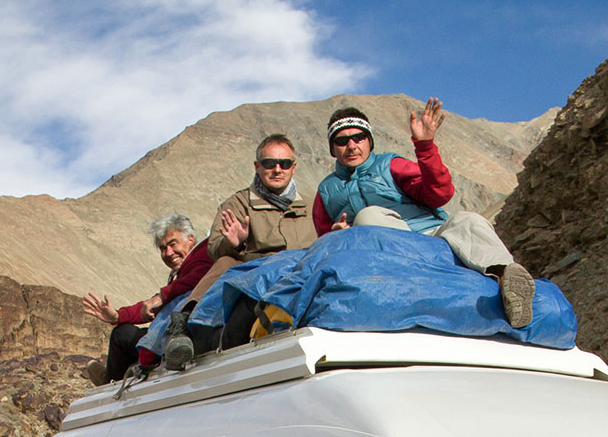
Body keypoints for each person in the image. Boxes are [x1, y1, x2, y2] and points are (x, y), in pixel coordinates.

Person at [312, 101, 537, 329]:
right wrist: (336, 236)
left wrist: (425, 146)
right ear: (332, 149)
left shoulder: (390, 164)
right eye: (342, 141)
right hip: (385, 250)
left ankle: (506, 278)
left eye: (359, 137)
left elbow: (439, 193)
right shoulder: (325, 192)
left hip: (430, 234)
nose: (352, 146)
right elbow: (321, 244)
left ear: (369, 141)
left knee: (468, 220)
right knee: (367, 218)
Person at [81, 216, 217, 383]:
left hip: (187, 334)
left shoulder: (204, 253)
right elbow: (150, 306)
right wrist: (116, 316)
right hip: (173, 332)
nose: (168, 253)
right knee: (122, 333)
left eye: (173, 244)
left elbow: (196, 279)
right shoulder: (179, 275)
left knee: (122, 336)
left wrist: (162, 296)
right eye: (162, 248)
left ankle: (109, 383)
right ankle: (113, 379)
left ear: (191, 239)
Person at [208, 135, 317, 264]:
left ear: (293, 168)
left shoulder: (312, 207)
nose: (277, 170)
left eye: (284, 164)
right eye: (269, 164)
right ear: (257, 166)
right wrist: (234, 244)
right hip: (257, 277)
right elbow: (213, 250)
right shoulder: (238, 204)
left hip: (306, 276)